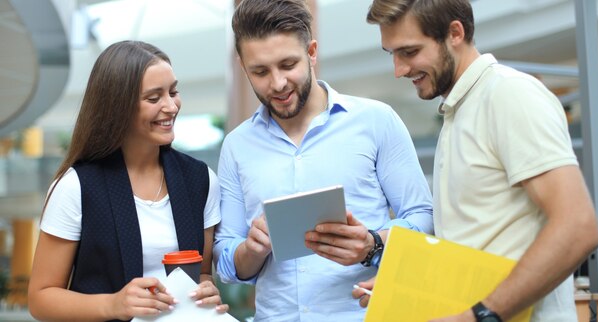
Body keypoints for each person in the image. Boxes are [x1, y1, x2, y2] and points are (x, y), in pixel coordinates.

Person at [358, 0, 598, 321]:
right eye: (393, 54)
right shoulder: (459, 111)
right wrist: (408, 285)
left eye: (410, 52)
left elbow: (578, 228)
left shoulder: (508, 95)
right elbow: (481, 243)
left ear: (455, 33)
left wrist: (479, 315)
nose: (399, 70)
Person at [213, 0, 433, 321]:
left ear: (312, 52)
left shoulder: (376, 121)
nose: (277, 83)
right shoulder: (236, 146)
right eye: (260, 71)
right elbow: (225, 260)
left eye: (288, 64)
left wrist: (373, 243)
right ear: (243, 66)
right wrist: (251, 249)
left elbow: (422, 217)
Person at [28, 40, 228, 322]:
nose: (171, 106)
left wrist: (207, 289)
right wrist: (113, 305)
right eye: (154, 97)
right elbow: (41, 298)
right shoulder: (76, 186)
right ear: (117, 106)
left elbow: (203, 273)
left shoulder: (200, 180)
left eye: (173, 92)